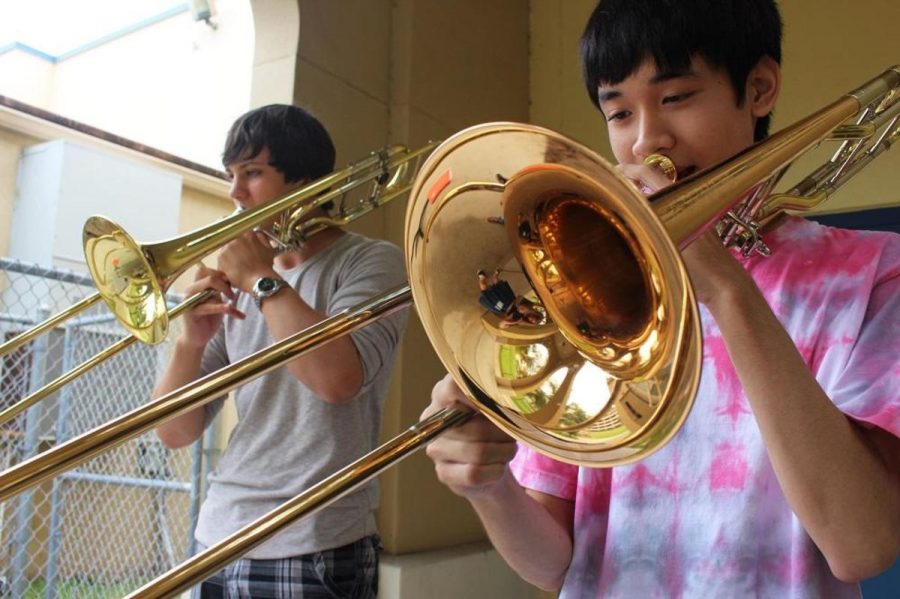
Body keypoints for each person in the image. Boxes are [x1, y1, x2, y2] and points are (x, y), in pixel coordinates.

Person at [422, 1, 900, 597]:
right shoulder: (579, 286)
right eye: (619, 112)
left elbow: (863, 545)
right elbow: (553, 565)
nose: (648, 139)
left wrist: (723, 285)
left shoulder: (874, 272)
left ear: (758, 88)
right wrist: (488, 487)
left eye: (675, 97)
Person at [153, 104, 408, 598]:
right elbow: (174, 431)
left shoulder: (370, 263)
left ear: (305, 181)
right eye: (231, 174)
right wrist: (190, 340)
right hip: (217, 536)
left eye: (252, 172)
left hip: (313, 540)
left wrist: (262, 281)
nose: (234, 192)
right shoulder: (240, 283)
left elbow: (337, 381)